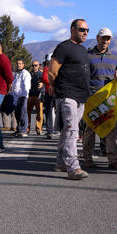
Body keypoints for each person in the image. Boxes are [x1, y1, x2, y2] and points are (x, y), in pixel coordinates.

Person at [48, 19, 91, 180]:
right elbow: (52, 71)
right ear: (73, 29)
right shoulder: (64, 47)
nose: (85, 32)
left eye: (87, 30)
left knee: (68, 131)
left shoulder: (83, 49)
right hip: (67, 95)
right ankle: (73, 167)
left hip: (81, 97)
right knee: (73, 131)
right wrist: (54, 86)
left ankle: (60, 163)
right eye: (82, 29)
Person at [83, 28, 117, 170]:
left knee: (112, 129)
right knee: (90, 129)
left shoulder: (115, 55)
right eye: (103, 38)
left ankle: (113, 161)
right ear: (97, 38)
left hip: (109, 99)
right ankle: (87, 159)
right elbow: (83, 75)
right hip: (92, 98)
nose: (106, 41)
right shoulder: (87, 55)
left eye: (108, 38)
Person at [7, 57, 31, 137]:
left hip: (22, 96)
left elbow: (26, 86)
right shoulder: (17, 74)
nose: (19, 65)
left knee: (23, 113)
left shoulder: (25, 73)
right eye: (17, 64)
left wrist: (24, 96)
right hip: (15, 97)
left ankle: (24, 131)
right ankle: (18, 129)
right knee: (17, 114)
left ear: (23, 64)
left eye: (20, 64)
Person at [27, 60, 44, 135]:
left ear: (39, 66)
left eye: (36, 65)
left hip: (38, 96)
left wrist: (41, 85)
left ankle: (39, 129)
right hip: (30, 95)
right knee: (27, 113)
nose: (34, 67)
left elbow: (43, 83)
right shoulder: (29, 74)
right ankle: (27, 128)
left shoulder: (41, 74)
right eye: (33, 65)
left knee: (39, 113)